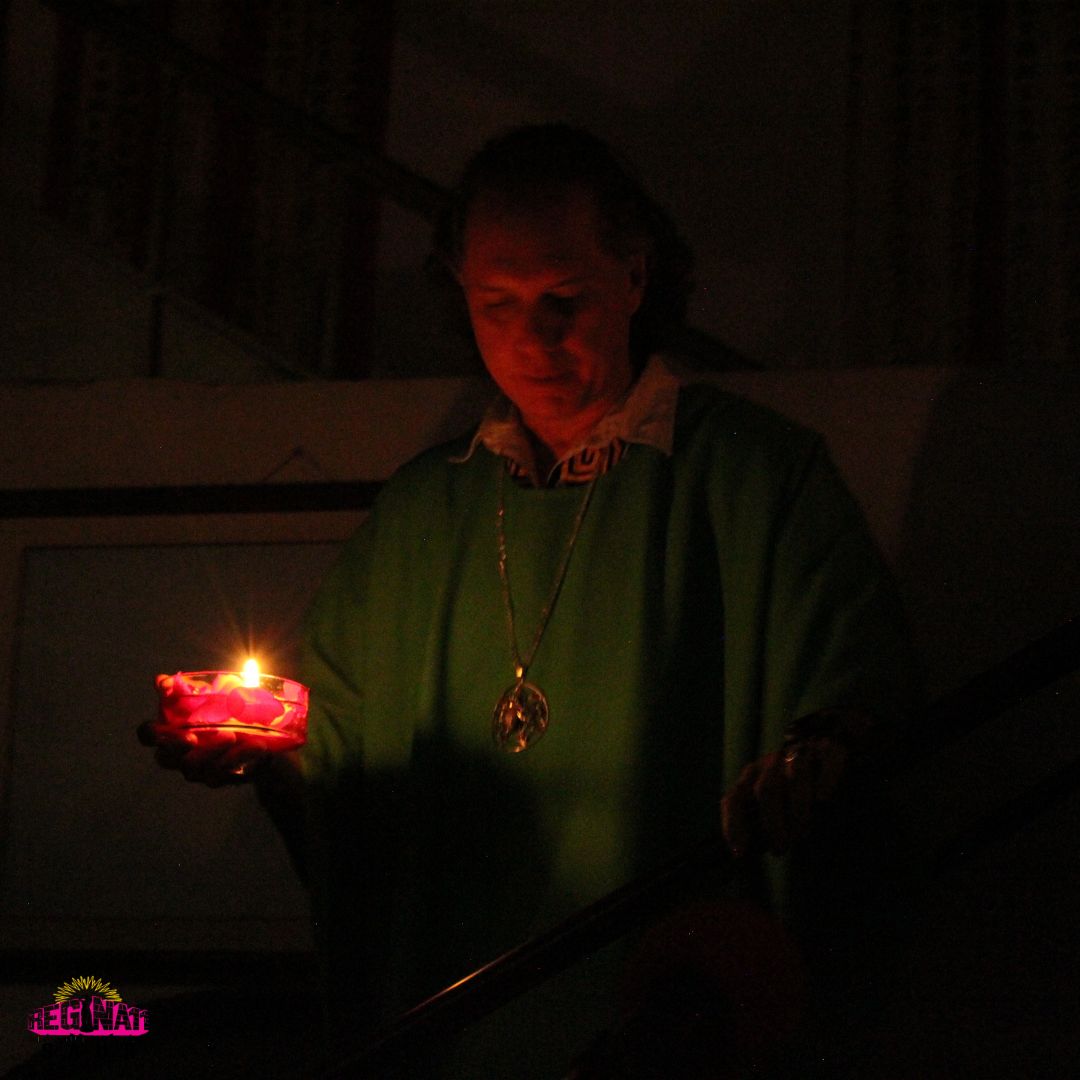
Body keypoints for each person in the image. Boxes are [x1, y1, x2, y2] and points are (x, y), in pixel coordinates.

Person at [144, 125, 920, 1077]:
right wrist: (250, 744)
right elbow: (334, 751)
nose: (531, 339)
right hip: (461, 1003)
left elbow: (856, 686)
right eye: (496, 305)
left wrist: (820, 748)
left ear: (635, 277)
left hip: (666, 1017)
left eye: (564, 300)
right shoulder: (423, 513)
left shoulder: (754, 478)